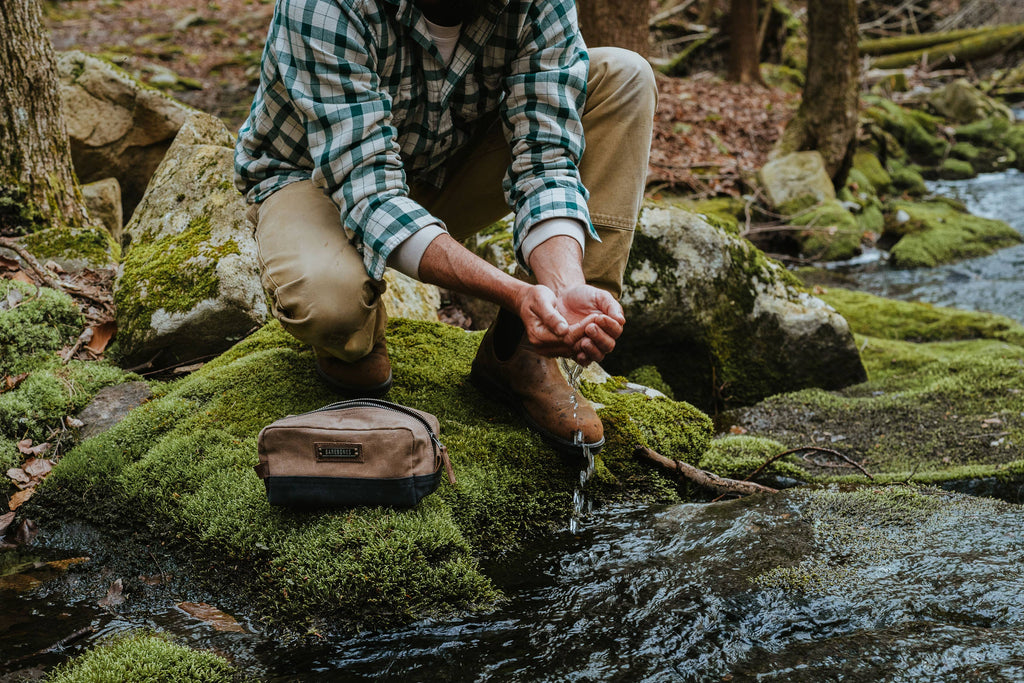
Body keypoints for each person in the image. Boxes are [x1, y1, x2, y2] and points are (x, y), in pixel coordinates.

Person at [235, 0, 656, 454]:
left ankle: (530, 351)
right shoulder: (321, 4)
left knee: (624, 76)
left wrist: (562, 287)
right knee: (332, 310)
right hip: (319, 179)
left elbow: (545, 161)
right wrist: (512, 292)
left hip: (446, 163)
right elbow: (370, 193)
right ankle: (356, 333)